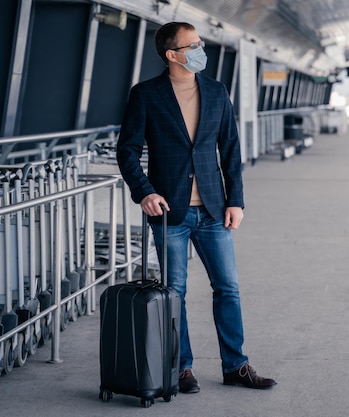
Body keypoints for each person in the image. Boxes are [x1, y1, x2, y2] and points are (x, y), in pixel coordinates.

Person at [116, 21, 276, 394]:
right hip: (169, 212)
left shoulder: (217, 92)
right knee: (176, 292)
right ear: (172, 55)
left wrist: (235, 199)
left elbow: (231, 151)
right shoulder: (146, 94)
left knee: (228, 288)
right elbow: (127, 151)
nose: (201, 49)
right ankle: (181, 368)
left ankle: (236, 366)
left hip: (213, 210)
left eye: (200, 42)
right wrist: (144, 192)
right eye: (193, 45)